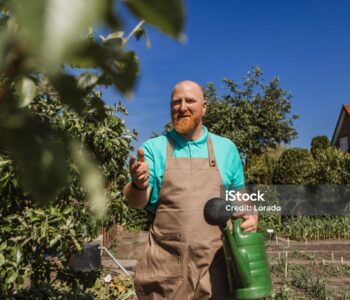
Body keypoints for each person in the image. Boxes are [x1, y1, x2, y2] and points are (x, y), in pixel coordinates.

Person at [124, 80, 258, 300]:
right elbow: (137, 201)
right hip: (167, 271)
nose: (182, 107)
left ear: (204, 107)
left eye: (189, 101)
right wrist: (138, 184)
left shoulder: (226, 149)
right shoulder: (154, 148)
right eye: (176, 102)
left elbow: (239, 199)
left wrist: (252, 215)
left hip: (215, 269)